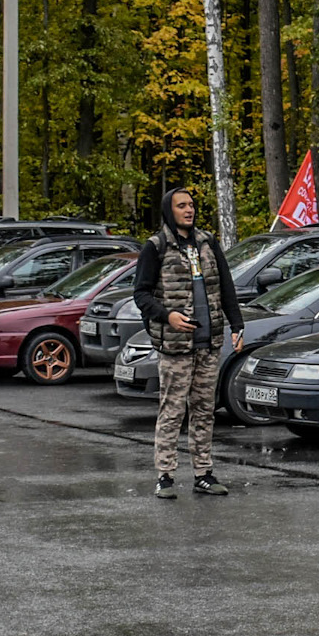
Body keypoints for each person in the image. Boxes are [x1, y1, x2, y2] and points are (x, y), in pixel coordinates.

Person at [132, 189, 244, 498]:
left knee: (204, 410)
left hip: (208, 344)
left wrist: (237, 325)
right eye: (182, 205)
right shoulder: (156, 247)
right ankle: (165, 476)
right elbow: (140, 294)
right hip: (175, 347)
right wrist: (167, 316)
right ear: (169, 210)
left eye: (192, 204)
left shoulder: (208, 243)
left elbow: (226, 286)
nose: (189, 209)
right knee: (172, 411)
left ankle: (203, 473)